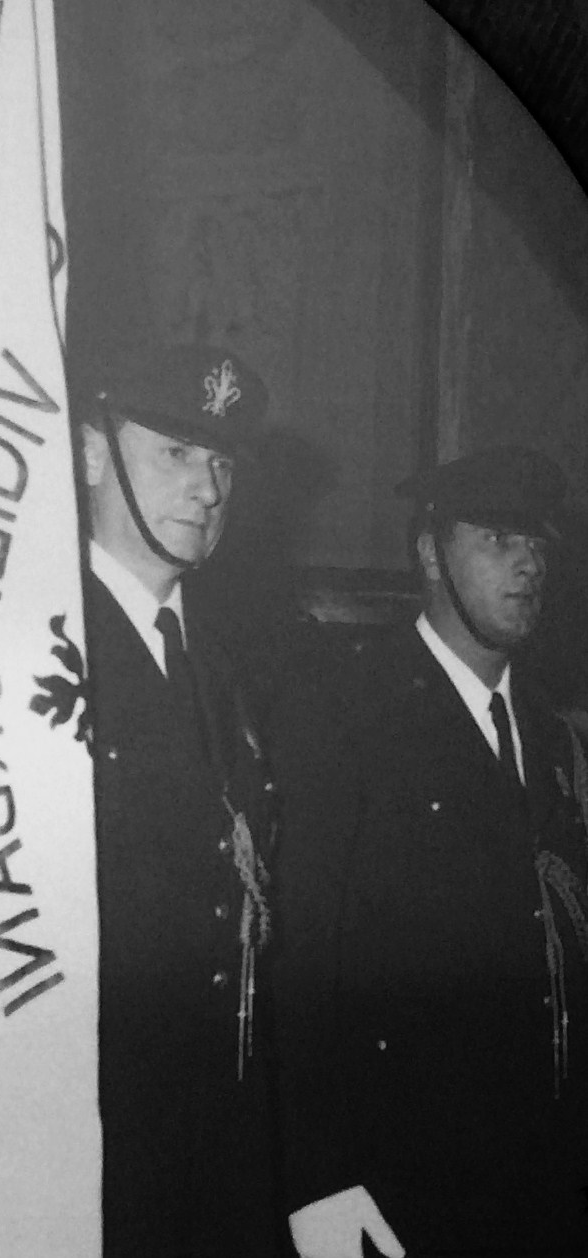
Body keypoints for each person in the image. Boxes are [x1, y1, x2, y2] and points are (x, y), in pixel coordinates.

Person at [271, 447, 588, 1258]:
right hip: (398, 1187)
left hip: (544, 1180)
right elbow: (299, 954)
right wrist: (317, 1178)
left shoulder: (552, 737)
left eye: (537, 544)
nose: (525, 565)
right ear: (427, 551)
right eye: (494, 539)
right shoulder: (346, 706)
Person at [75, 344, 282, 1255]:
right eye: (173, 453)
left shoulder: (225, 668)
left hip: (210, 1148)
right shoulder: (30, 644)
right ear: (90, 456)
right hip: (78, 1146)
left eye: (222, 462)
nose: (206, 488)